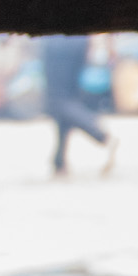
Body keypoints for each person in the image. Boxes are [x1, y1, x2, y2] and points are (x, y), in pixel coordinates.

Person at [38, 31, 110, 177]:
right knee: (67, 96)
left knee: (57, 98)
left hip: (57, 38)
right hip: (78, 37)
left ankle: (101, 134)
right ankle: (59, 162)